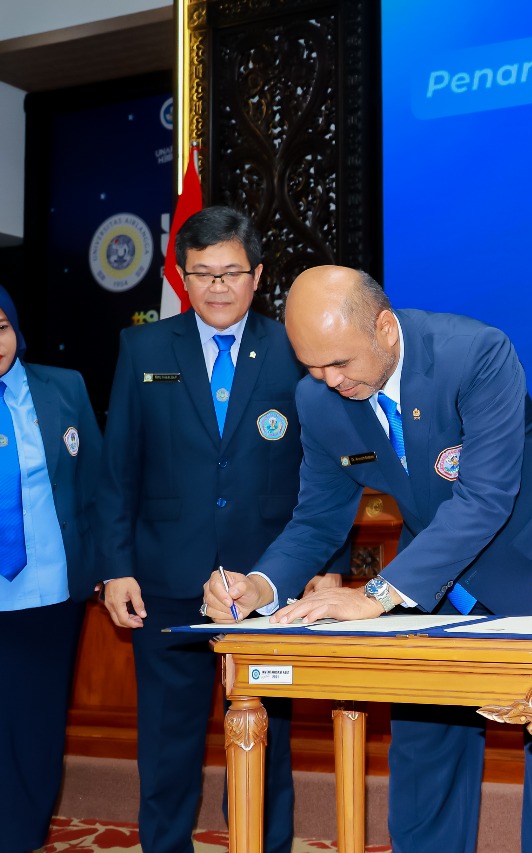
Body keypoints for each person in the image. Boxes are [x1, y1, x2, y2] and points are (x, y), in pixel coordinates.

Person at [202, 265, 532, 853]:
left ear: (386, 328)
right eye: (312, 367)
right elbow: (317, 519)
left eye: (339, 362)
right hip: (433, 569)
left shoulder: (477, 353)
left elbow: (485, 499)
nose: (329, 380)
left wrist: (376, 595)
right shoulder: (319, 398)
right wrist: (260, 587)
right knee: (422, 737)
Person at [96, 207, 342, 853]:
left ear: (257, 275)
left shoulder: (293, 349)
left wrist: (326, 566)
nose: (217, 286)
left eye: (231, 272)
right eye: (202, 273)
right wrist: (116, 567)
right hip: (164, 579)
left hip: (269, 581)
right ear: (182, 277)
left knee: (266, 740)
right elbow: (118, 468)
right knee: (166, 741)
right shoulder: (144, 348)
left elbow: (326, 473)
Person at [0, 285, 101, 853]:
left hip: (49, 594)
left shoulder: (64, 387)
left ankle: (23, 836)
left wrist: (109, 567)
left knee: (38, 726)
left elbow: (96, 482)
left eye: (0, 327)